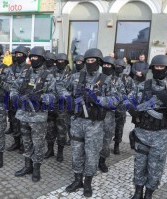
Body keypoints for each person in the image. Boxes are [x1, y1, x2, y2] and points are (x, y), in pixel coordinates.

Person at [127, 55, 167, 199]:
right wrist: (132, 108)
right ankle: (138, 191)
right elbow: (127, 100)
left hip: (160, 136)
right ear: (152, 69)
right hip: (141, 133)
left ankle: (149, 193)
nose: (159, 69)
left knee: (156, 166)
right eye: (156, 67)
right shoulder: (143, 85)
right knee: (139, 164)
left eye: (162, 67)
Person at [64, 48, 121, 197]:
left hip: (94, 125)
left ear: (99, 62)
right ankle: (77, 180)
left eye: (93, 61)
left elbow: (116, 99)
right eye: (87, 61)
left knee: (92, 154)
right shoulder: (76, 76)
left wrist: (98, 100)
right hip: (77, 122)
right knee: (76, 152)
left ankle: (87, 182)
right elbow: (60, 86)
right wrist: (68, 97)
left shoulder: (106, 79)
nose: (90, 63)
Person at [11, 46, 60, 182]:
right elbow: (14, 87)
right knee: (26, 142)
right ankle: (28, 166)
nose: (33, 59)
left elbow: (54, 96)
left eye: (36, 57)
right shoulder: (25, 72)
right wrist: (14, 97)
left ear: (42, 59)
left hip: (38, 116)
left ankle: (37, 168)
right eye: (31, 57)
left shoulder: (48, 76)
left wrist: (41, 98)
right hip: (23, 114)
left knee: (38, 144)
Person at [44, 53, 71, 162]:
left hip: (62, 108)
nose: (60, 63)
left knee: (61, 131)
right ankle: (50, 150)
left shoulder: (71, 75)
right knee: (49, 130)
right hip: (51, 106)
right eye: (58, 61)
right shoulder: (50, 73)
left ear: (66, 63)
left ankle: (60, 152)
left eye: (62, 61)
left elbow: (73, 91)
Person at [5, 45, 30, 153]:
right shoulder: (10, 68)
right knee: (14, 122)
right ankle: (16, 142)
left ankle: (25, 144)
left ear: (25, 56)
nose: (18, 56)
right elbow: (7, 83)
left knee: (23, 124)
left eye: (20, 55)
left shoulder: (30, 68)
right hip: (12, 99)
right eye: (16, 54)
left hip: (24, 100)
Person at [98, 55, 118, 173]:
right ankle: (93, 160)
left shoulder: (116, 80)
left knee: (106, 141)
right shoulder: (98, 78)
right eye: (104, 64)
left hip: (109, 116)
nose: (106, 66)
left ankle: (102, 161)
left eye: (108, 65)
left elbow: (118, 99)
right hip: (96, 115)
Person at [113, 59, 135, 154]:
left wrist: (125, 102)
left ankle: (116, 145)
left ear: (123, 68)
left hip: (121, 107)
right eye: (116, 65)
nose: (118, 67)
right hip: (109, 107)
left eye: (120, 66)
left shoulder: (127, 79)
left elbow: (133, 92)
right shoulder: (110, 77)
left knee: (119, 127)